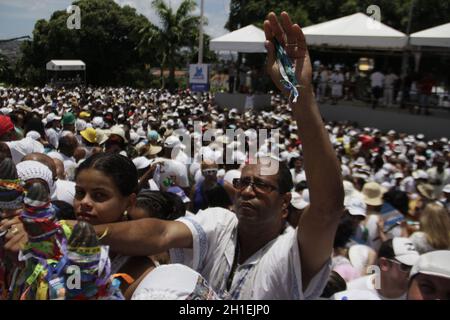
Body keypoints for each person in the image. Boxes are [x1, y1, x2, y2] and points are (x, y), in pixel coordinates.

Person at [78, 11, 344, 300]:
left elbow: (328, 208)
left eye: (261, 185)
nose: (247, 191)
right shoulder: (220, 223)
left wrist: (300, 95)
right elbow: (161, 235)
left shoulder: (293, 254)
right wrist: (74, 234)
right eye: (242, 183)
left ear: (285, 203)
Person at [345, 237, 419, 300]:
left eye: (415, 266)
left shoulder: (420, 295)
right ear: (384, 264)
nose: (412, 272)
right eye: (405, 266)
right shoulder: (351, 291)